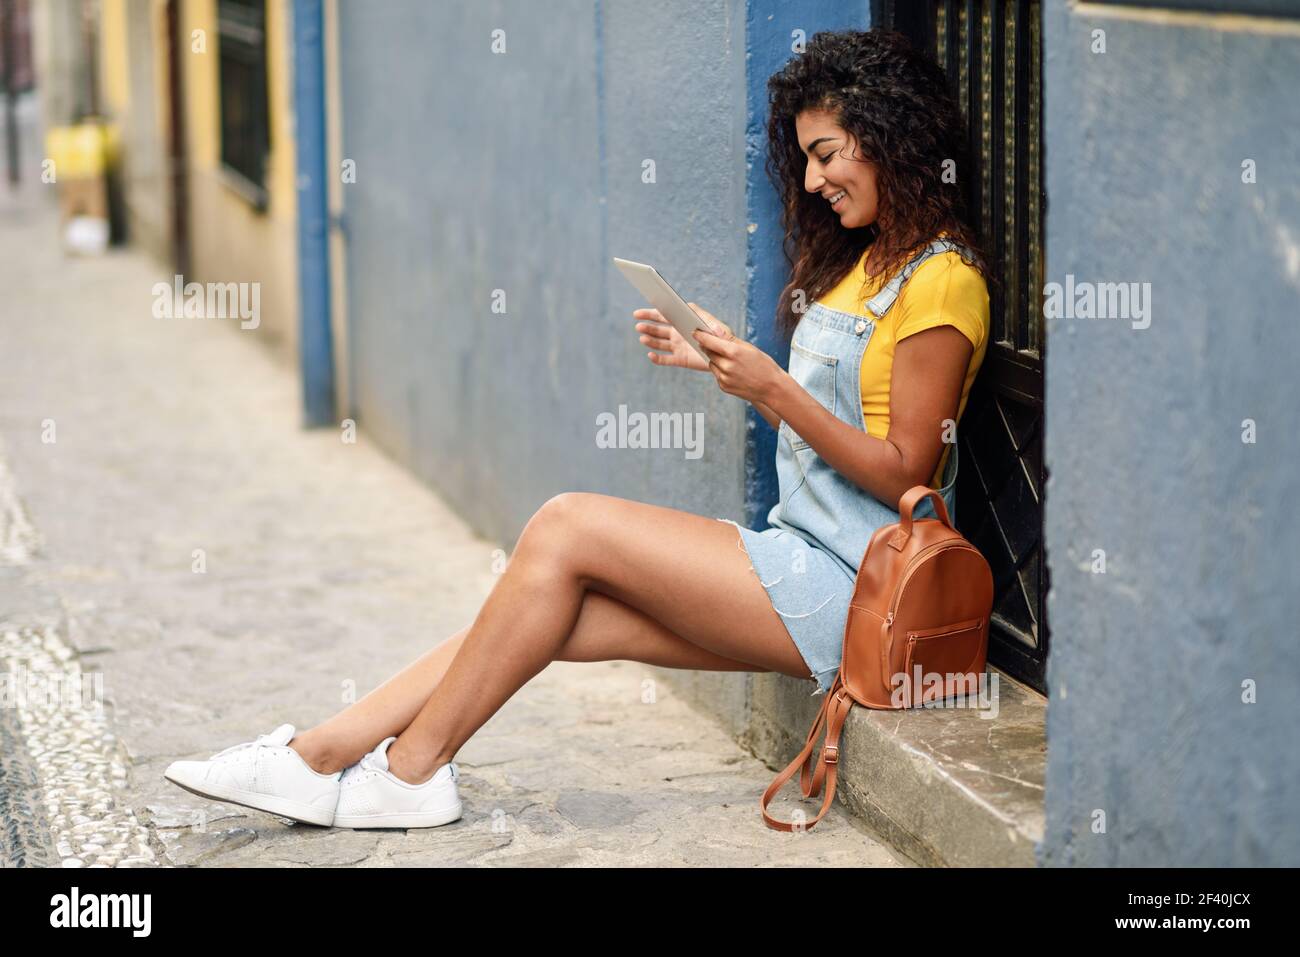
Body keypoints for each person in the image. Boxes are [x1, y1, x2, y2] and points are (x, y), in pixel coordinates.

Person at [163, 28, 992, 830]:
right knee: (546, 609)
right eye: (806, 160)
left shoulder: (943, 282)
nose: (812, 183)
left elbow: (904, 469)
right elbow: (831, 419)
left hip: (857, 587)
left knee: (566, 526)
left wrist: (771, 384)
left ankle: (405, 770)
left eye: (826, 155)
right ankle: (324, 754)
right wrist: (725, 366)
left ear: (890, 137)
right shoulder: (865, 260)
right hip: (804, 552)